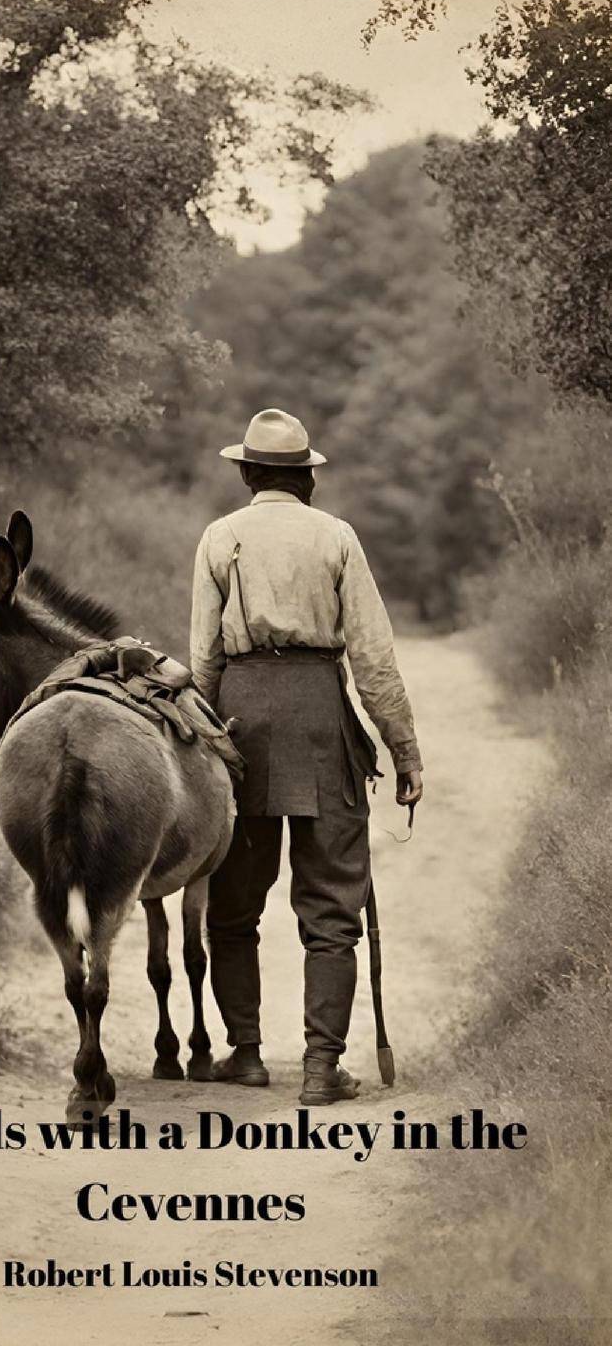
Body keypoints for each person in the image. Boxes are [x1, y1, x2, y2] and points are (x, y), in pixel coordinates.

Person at [189, 408, 423, 1104]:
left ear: (246, 473)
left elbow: (203, 660)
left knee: (232, 905)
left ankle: (249, 1054)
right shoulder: (336, 537)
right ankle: (322, 1068)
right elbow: (374, 658)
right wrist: (403, 749)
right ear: (304, 477)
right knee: (331, 908)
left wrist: (206, 749)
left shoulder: (220, 537)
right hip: (323, 720)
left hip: (240, 723)